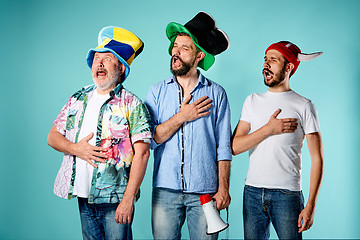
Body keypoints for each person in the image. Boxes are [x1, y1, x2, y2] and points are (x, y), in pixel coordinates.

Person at [47, 26, 152, 240]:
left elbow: (142, 154)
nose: (99, 63)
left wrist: (128, 199)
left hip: (115, 199)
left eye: (106, 58)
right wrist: (76, 149)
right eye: (96, 59)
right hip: (83, 195)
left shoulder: (132, 104)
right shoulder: (78, 98)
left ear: (121, 68)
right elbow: (53, 137)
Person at [145, 12, 232, 240]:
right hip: (165, 190)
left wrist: (223, 188)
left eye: (184, 48)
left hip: (205, 191)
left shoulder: (217, 93)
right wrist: (182, 116)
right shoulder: (156, 91)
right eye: (175, 46)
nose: (176, 52)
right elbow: (152, 138)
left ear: (198, 55)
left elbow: (224, 146)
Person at [232, 41, 324, 239]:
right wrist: (268, 130)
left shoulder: (305, 105)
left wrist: (311, 205)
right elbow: (234, 146)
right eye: (265, 60)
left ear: (289, 67)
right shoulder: (252, 101)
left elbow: (317, 158)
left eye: (273, 60)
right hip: (252, 193)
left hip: (287, 195)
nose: (266, 64)